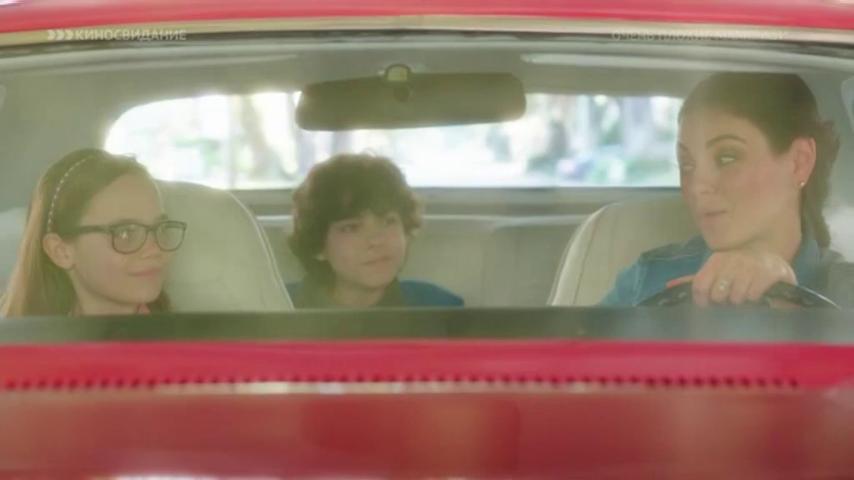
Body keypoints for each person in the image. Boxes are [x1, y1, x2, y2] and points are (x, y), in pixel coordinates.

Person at [601, 73, 844, 307]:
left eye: (727, 158)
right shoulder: (646, 280)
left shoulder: (846, 292)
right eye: (687, 164)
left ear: (799, 162)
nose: (696, 187)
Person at [0, 149, 187, 316]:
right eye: (126, 234)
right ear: (61, 252)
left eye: (161, 229)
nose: (155, 250)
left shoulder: (185, 341)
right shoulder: (21, 343)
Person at [287, 153, 463, 308]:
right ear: (318, 245)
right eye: (351, 228)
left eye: (388, 222)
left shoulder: (439, 307)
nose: (377, 241)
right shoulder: (278, 305)